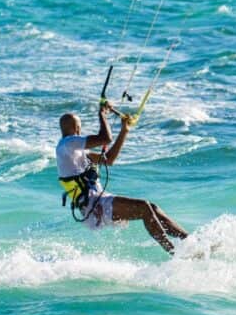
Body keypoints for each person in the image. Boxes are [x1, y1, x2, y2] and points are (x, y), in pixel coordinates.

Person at [56, 103, 188, 254]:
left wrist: (124, 130)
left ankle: (189, 241)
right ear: (76, 128)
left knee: (152, 208)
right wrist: (102, 114)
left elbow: (109, 159)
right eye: (80, 127)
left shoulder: (74, 152)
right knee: (144, 207)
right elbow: (105, 138)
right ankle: (174, 252)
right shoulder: (68, 143)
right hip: (94, 205)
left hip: (96, 203)